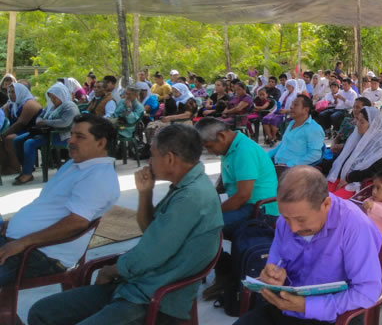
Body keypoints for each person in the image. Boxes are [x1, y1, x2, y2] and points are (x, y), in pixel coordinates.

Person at [28, 124, 223, 325]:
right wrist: (145, 193)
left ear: (170, 159)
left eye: (153, 155)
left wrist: (112, 270)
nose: (150, 161)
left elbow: (150, 255)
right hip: (135, 285)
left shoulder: (191, 197)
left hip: (151, 298)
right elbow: (150, 233)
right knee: (41, 312)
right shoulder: (185, 187)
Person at [233, 166, 382, 325]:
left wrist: (307, 306)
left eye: (301, 220)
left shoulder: (355, 226)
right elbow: (276, 260)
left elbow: (366, 292)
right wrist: (273, 274)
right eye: (286, 218)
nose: (293, 228)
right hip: (286, 306)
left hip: (333, 315)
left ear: (326, 204)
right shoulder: (287, 219)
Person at [0, 115, 119, 287]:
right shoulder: (75, 165)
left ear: (101, 143)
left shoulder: (98, 177)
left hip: (40, 254)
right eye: (71, 134)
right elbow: (48, 204)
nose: (70, 140)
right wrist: (15, 223)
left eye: (80, 136)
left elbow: (76, 223)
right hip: (19, 242)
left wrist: (22, 242)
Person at [195, 117, 279, 236]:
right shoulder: (230, 147)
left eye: (209, 146)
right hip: (245, 205)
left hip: (260, 209)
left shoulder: (244, 151)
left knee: (205, 226)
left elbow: (243, 196)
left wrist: (213, 212)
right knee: (198, 218)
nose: (209, 152)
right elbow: (225, 180)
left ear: (221, 136)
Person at [12, 83, 80, 185]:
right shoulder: (51, 106)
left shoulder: (69, 106)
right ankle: (27, 168)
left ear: (61, 95)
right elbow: (40, 117)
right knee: (17, 140)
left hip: (60, 135)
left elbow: (65, 122)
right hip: (45, 132)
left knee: (29, 143)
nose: (53, 100)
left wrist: (46, 122)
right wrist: (41, 121)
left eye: (55, 97)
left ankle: (27, 174)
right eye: (51, 97)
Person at [327, 107, 382, 199]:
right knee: (317, 194)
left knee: (331, 201)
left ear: (373, 125)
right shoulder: (358, 136)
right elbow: (342, 158)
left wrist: (349, 178)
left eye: (362, 122)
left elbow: (376, 171)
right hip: (344, 176)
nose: (357, 124)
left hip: (362, 183)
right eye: (357, 120)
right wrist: (322, 166)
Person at [268, 96, 325, 166]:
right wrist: (265, 156)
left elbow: (315, 155)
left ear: (306, 110)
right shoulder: (292, 123)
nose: (291, 107)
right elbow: (282, 145)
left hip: (293, 169)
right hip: (278, 164)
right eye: (292, 104)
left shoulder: (314, 128)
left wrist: (289, 165)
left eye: (295, 105)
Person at [0, 82, 43, 175]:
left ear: (20, 92)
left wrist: (3, 135)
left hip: (32, 131)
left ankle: (16, 168)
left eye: (13, 92)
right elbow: (5, 121)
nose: (10, 94)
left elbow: (21, 124)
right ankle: (6, 167)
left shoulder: (30, 104)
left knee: (9, 139)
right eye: (9, 92)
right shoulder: (11, 105)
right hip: (18, 131)